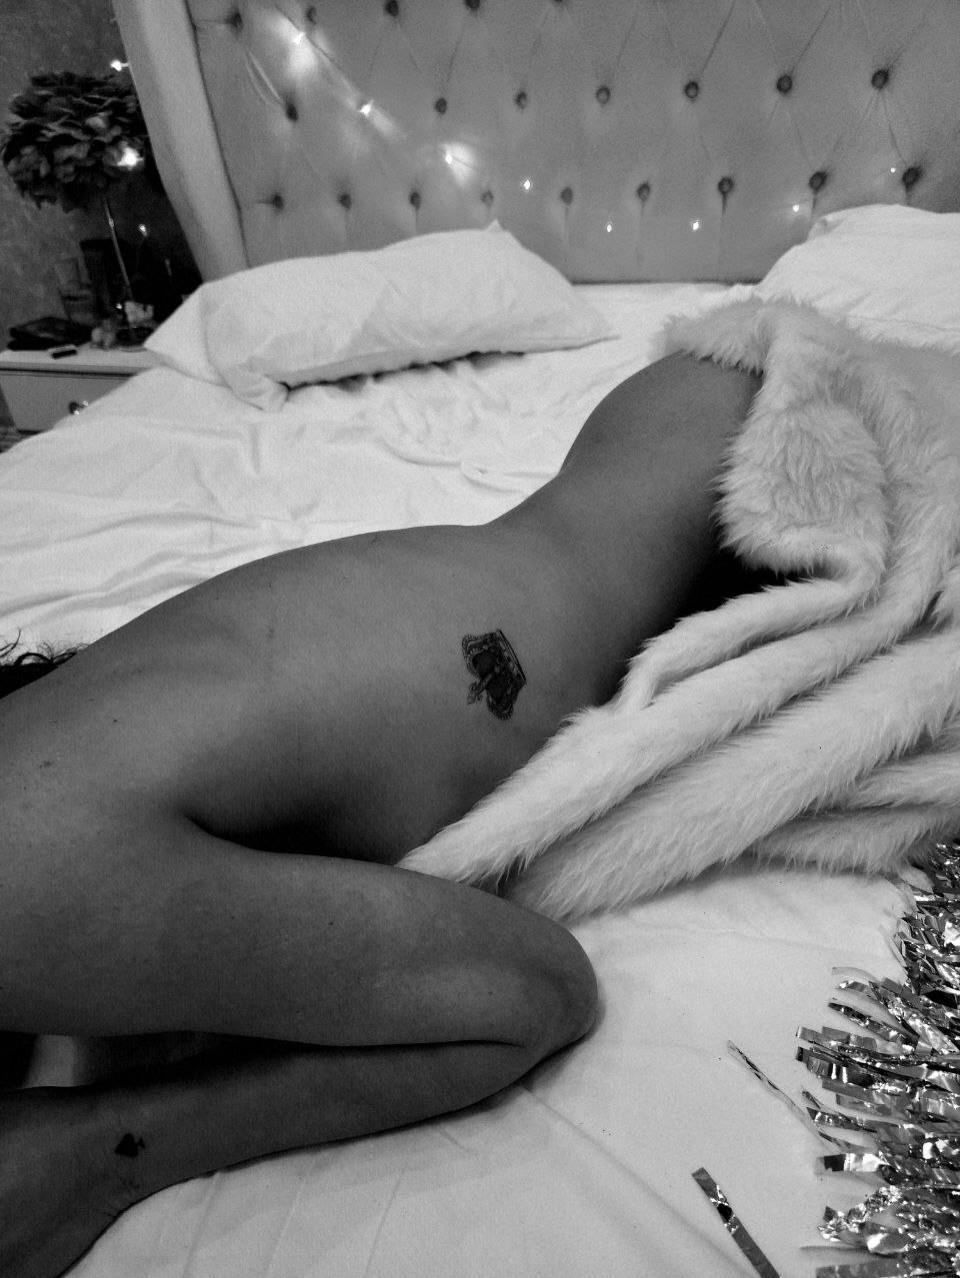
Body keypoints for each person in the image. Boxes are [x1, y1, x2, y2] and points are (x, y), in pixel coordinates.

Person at [0, 351, 761, 1278]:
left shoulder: (22, 889)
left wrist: (95, 1154)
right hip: (674, 441)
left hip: (737, 441)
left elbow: (536, 997)